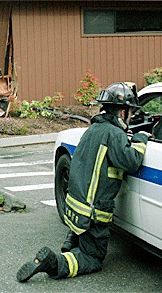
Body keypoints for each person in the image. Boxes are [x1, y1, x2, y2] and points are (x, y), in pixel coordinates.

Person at [16, 82, 150, 282]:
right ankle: (54, 263)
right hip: (93, 213)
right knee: (92, 258)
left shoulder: (94, 129)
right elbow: (131, 161)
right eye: (130, 111)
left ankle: (72, 243)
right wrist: (140, 140)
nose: (131, 116)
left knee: (83, 237)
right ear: (123, 113)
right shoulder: (114, 134)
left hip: (76, 207)